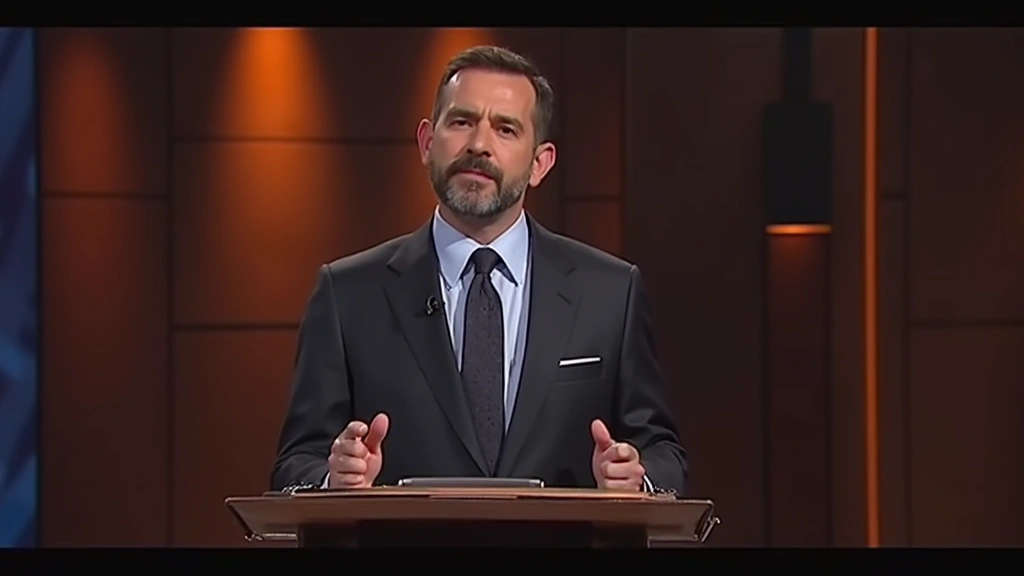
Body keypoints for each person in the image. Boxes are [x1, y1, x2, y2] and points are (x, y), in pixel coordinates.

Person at [271, 45, 687, 495]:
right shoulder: (348, 294)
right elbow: (296, 464)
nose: (478, 145)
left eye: (505, 129)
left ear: (540, 163)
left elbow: (663, 453)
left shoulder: (611, 293)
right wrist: (334, 477)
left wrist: (635, 475)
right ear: (427, 143)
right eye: (461, 121)